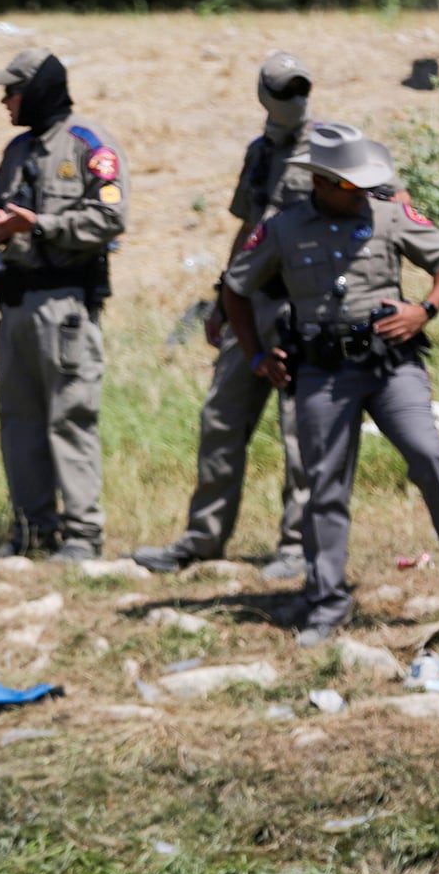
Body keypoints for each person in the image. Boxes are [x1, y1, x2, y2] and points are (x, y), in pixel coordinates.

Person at [221, 122, 439, 647]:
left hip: (391, 365)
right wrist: (257, 354)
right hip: (322, 372)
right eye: (350, 185)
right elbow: (235, 288)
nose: (361, 193)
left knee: (429, 456)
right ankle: (327, 600)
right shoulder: (282, 228)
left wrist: (424, 310)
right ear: (323, 183)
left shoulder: (390, 212)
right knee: (324, 482)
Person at [135, 52, 318, 581]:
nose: (294, 100)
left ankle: (297, 546)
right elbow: (248, 228)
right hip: (252, 302)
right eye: (284, 91)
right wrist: (223, 296)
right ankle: (203, 538)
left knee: (299, 431)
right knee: (221, 419)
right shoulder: (259, 154)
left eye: (300, 89)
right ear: (263, 96)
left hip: (302, 307)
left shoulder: (328, 150)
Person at [0, 49, 129, 563]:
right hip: (16, 304)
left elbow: (110, 219)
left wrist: (39, 225)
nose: (4, 100)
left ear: (37, 91)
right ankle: (32, 532)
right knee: (18, 419)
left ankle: (83, 537)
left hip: (65, 307)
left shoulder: (89, 144)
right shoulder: (17, 149)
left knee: (69, 418)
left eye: (12, 90)